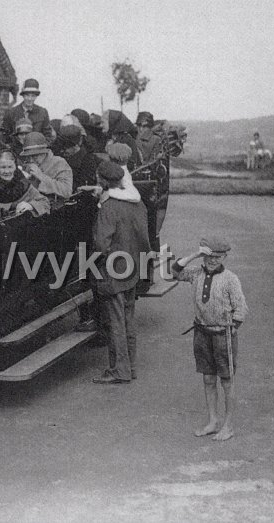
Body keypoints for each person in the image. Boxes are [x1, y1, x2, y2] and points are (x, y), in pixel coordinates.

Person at [172, 238, 247, 441]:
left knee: (227, 381)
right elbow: (174, 272)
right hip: (202, 333)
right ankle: (213, 421)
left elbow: (241, 309)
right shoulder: (196, 273)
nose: (213, 261)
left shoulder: (230, 279)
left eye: (218, 257)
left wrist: (231, 329)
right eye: (209, 256)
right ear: (203, 256)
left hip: (223, 334)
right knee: (207, 379)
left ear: (224, 257)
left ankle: (228, 426)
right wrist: (195, 255)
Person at [91, 161, 151, 384]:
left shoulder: (108, 208)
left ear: (103, 181)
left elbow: (100, 244)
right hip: (133, 265)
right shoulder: (136, 201)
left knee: (115, 322)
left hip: (113, 269)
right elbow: (144, 237)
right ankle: (130, 367)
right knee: (128, 319)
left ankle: (120, 370)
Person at [0, 148, 50, 216]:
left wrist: (30, 205)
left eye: (10, 167)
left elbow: (45, 202)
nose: (7, 171)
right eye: (3, 167)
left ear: (15, 167)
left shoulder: (23, 184)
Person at [19, 132, 73, 199]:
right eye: (27, 156)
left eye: (35, 156)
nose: (31, 160)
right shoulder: (26, 166)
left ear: (44, 153)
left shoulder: (59, 163)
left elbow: (66, 192)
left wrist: (41, 176)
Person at [0, 78, 54, 143]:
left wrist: (40, 147)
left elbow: (48, 136)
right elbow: (4, 136)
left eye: (33, 96)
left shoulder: (42, 113)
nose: (30, 99)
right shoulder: (11, 113)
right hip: (16, 150)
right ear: (23, 95)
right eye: (27, 95)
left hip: (36, 150)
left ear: (36, 96)